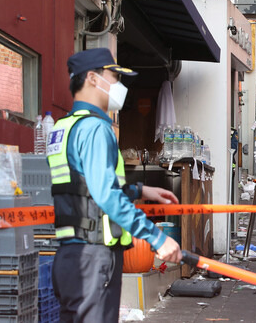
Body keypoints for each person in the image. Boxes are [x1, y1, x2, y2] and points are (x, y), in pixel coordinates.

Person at [49, 48, 181, 322]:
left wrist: (140, 191)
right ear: (93, 79)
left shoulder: (65, 127)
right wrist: (156, 238)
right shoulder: (97, 128)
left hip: (70, 256)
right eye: (114, 77)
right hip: (93, 258)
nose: (119, 86)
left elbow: (83, 187)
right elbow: (105, 196)